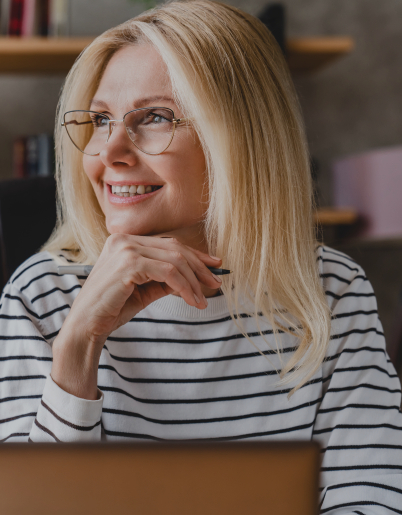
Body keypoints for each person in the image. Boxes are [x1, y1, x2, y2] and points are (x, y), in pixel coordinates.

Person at [1, 0, 401, 512]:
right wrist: (78, 346)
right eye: (100, 120)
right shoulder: (42, 294)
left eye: (155, 118)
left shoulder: (333, 289)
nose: (110, 151)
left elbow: (372, 498)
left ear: (240, 137)